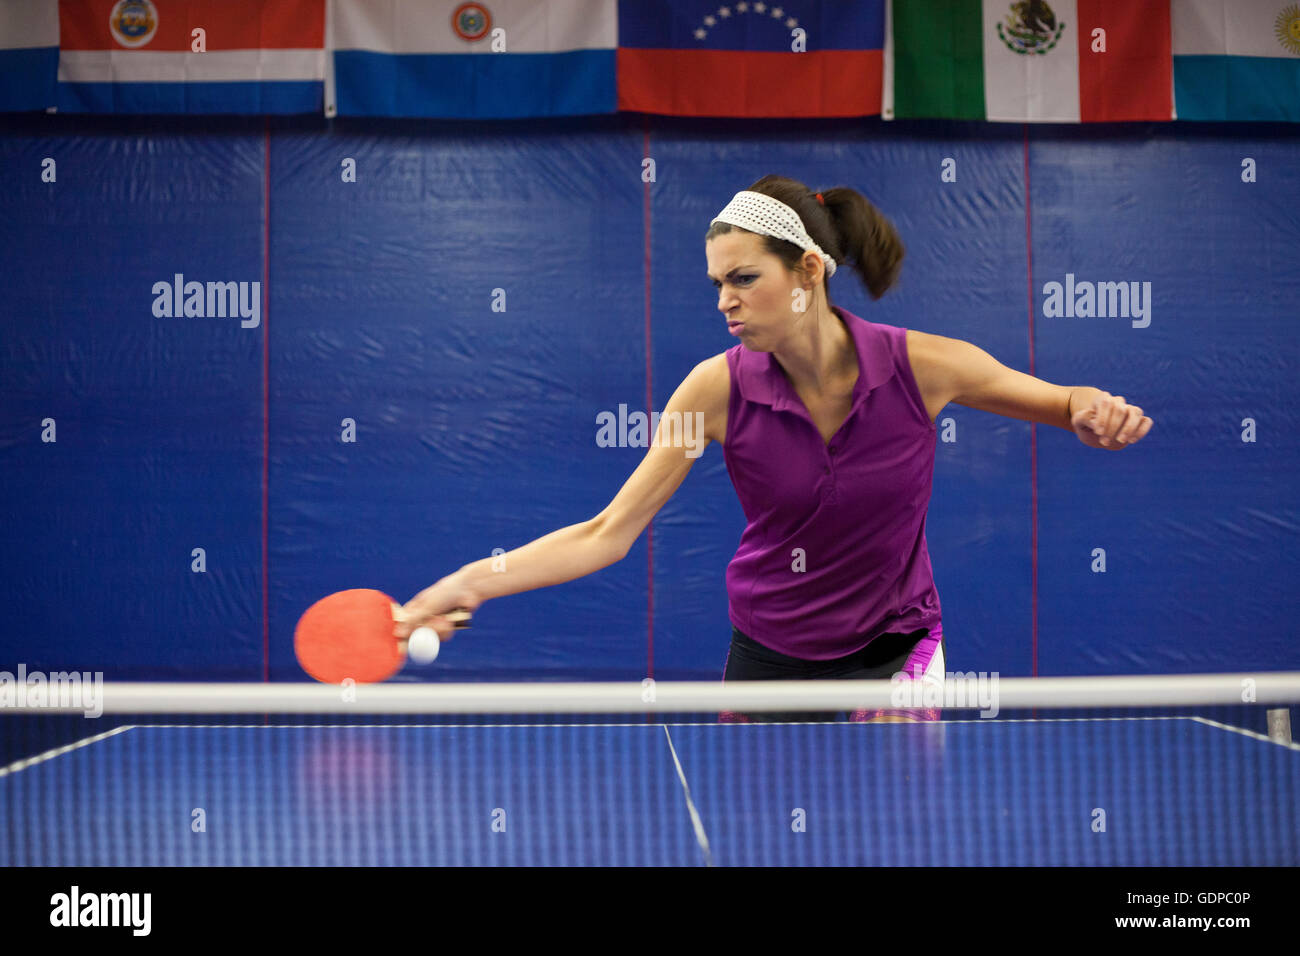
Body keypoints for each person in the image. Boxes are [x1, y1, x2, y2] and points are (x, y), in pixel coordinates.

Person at [393, 174, 1154, 721]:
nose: (724, 300)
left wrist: (1092, 408)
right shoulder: (713, 393)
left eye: (744, 278)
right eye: (717, 282)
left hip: (897, 649)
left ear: (809, 274)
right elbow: (607, 534)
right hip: (770, 657)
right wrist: (471, 581)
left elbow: (1062, 403)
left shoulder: (925, 367)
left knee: (901, 828)